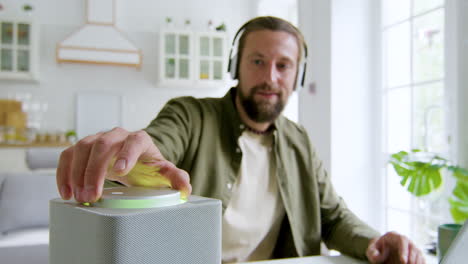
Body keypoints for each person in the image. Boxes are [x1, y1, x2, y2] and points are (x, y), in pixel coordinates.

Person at [56, 16, 425, 264]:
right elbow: (161, 141)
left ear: (297, 75)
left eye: (283, 65)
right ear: (236, 66)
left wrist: (373, 241)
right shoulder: (191, 115)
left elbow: (333, 217)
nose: (270, 77)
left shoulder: (299, 141)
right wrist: (134, 153)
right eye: (257, 61)